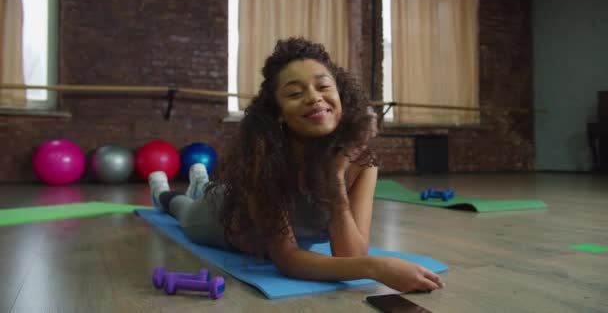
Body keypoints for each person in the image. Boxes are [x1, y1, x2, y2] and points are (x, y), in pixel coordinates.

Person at [148, 37, 445, 293]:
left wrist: (334, 179)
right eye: (294, 93)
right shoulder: (264, 159)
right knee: (184, 211)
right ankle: (167, 192)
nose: (314, 98)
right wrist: (376, 268)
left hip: (255, 200)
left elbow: (350, 254)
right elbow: (287, 257)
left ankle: (200, 181)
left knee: (202, 191)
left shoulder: (360, 161)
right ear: (278, 113)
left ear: (340, 95)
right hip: (223, 219)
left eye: (323, 86)